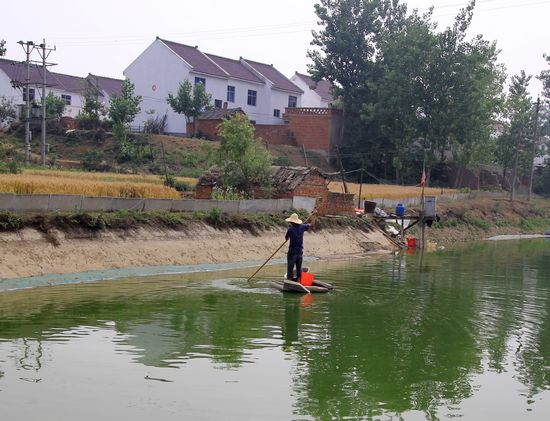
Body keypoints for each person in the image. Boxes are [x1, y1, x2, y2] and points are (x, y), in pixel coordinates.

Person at [285, 211, 317, 282]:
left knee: (290, 268)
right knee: (299, 268)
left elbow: (286, 238)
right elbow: (312, 225)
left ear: (291, 222)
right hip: (299, 251)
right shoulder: (302, 227)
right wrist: (314, 215)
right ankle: (299, 281)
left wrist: (288, 238)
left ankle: (289, 281)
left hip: (292, 252)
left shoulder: (290, 229)